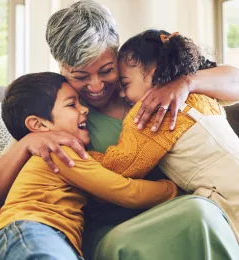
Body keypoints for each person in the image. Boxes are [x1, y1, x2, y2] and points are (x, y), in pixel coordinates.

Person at [0, 1, 239, 259]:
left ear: (116, 55)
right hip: (112, 231)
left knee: (205, 212)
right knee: (200, 213)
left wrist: (186, 83)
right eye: (81, 76)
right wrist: (27, 143)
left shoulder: (148, 79)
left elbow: (235, 81)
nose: (95, 86)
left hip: (178, 208)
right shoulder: (62, 114)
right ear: (61, 69)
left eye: (106, 70)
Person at [0, 72, 177, 260]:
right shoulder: (58, 151)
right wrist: (173, 189)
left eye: (80, 102)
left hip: (34, 239)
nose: (84, 109)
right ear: (39, 125)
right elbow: (128, 191)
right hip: (31, 233)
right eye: (71, 104)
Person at [87, 29, 239, 259]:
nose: (120, 93)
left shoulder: (153, 112)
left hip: (228, 200)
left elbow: (121, 166)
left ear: (154, 72)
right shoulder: (203, 95)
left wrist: (76, 156)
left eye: (125, 83)